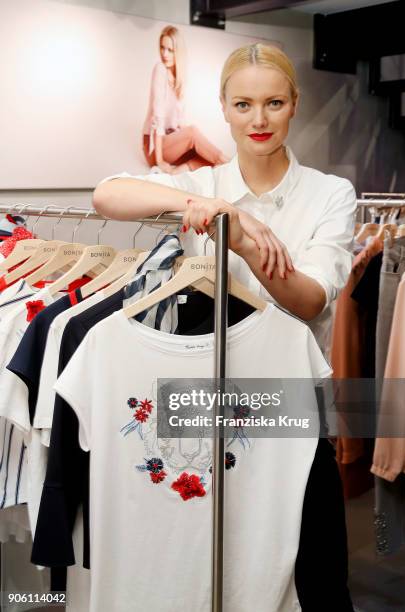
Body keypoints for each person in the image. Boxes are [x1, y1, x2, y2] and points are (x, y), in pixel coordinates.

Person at [94, 42, 356, 611]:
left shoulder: (330, 194)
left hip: (292, 407)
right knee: (211, 561)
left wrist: (240, 238)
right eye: (242, 105)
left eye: (273, 103)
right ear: (224, 107)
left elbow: (309, 300)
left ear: (294, 104)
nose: (258, 120)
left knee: (312, 569)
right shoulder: (207, 186)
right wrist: (212, 206)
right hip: (205, 403)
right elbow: (106, 193)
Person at [142, 25, 229, 174]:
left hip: (171, 142)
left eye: (170, 50)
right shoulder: (160, 69)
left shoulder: (179, 79)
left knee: (205, 154)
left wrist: (194, 142)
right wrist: (159, 161)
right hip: (155, 147)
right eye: (162, 48)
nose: (165, 54)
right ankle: (230, 163)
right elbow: (158, 117)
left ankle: (177, 172)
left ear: (178, 52)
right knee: (193, 131)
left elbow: (180, 122)